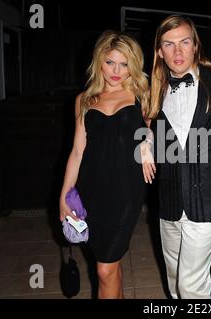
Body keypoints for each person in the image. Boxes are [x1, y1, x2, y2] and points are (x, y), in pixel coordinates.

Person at [145, 15, 211, 299]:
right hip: (169, 200)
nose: (177, 52)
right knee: (174, 277)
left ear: (195, 46)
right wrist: (145, 140)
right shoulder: (153, 89)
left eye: (184, 42)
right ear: (159, 50)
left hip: (208, 200)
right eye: (169, 44)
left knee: (192, 286)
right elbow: (145, 124)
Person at [59, 30, 149, 299]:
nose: (116, 71)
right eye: (110, 62)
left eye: (124, 64)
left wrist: (147, 142)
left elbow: (155, 129)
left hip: (126, 191)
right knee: (111, 265)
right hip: (91, 189)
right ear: (99, 61)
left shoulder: (140, 95)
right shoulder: (84, 100)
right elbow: (77, 151)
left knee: (104, 271)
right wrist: (64, 196)